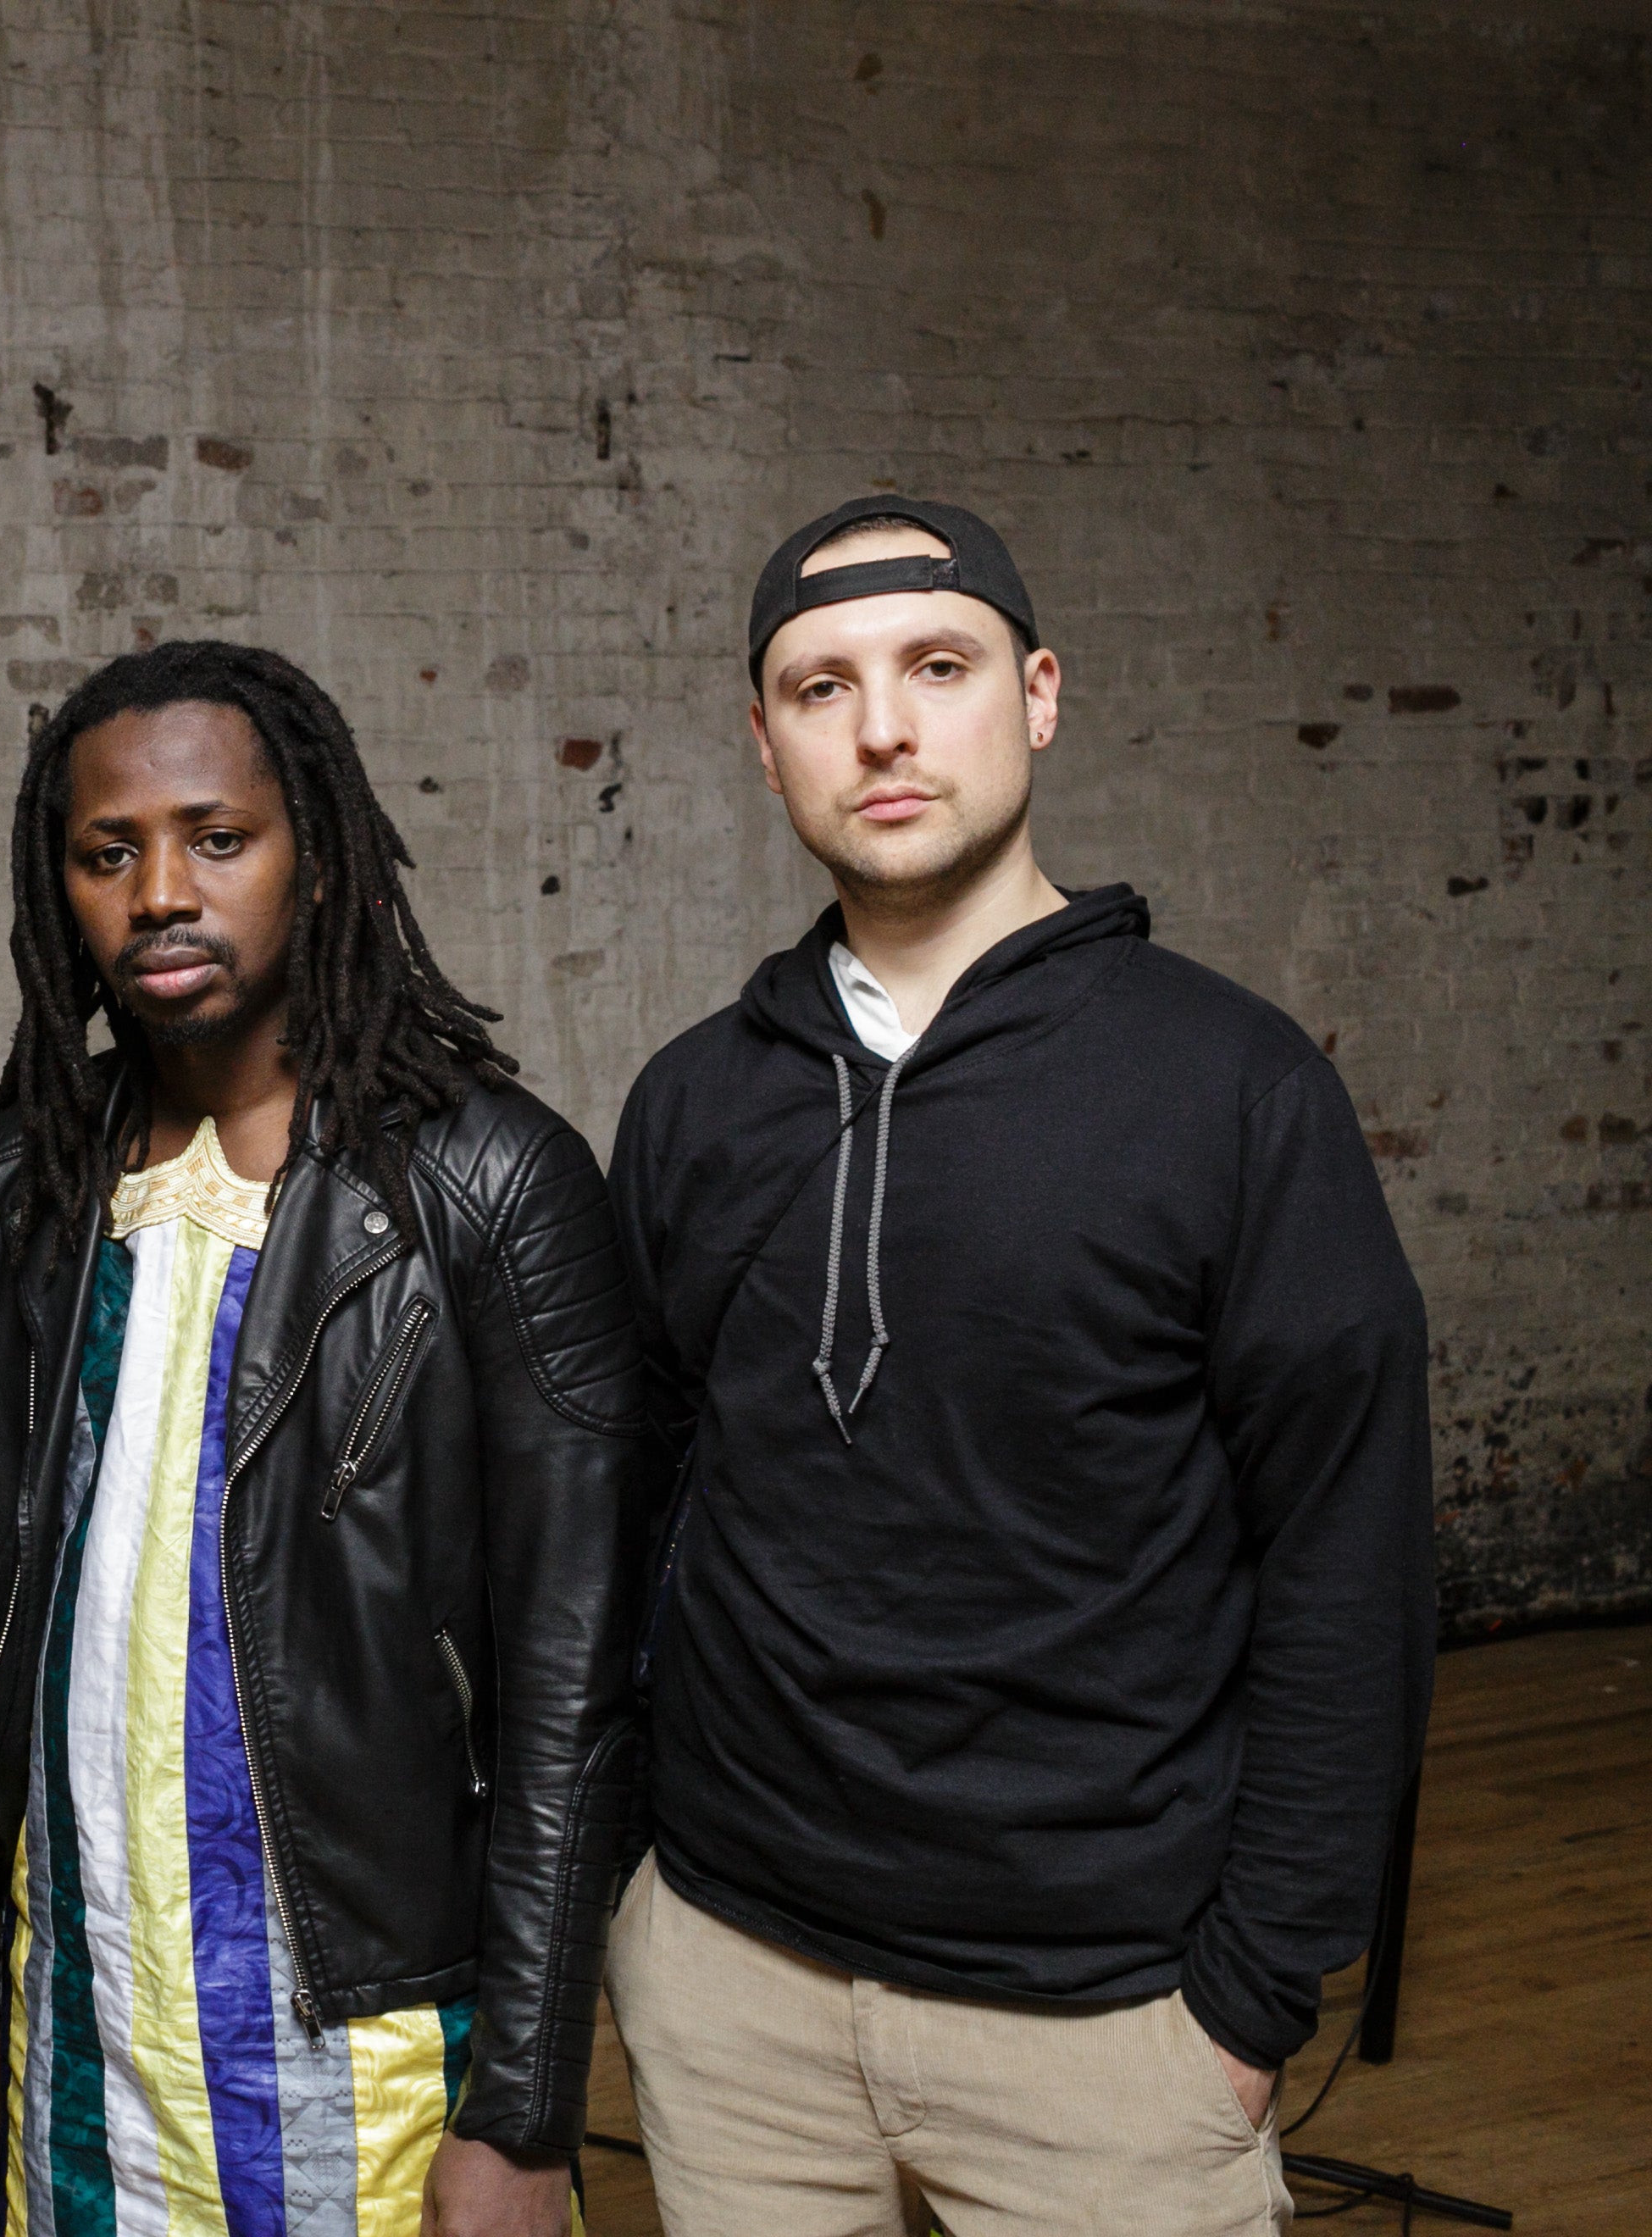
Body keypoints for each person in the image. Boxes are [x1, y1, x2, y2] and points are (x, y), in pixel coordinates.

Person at [601, 499, 1437, 2234]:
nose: (881, 729)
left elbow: (1351, 1560)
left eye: (938, 667)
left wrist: (1251, 2000)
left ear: (1038, 696)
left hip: (1108, 2024)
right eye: (821, 688)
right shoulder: (694, 1102)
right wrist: (631, 1900)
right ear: (764, 743)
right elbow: (628, 1514)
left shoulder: (1234, 1089)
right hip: (732, 1993)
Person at [0, 640, 655, 2237]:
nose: (161, 894)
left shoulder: (489, 1185)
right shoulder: (35, 1182)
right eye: (108, 854)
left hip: (373, 2034)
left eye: (219, 838)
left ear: (318, 859)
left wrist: (527, 2109)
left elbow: (572, 1700)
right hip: (80, 2021)